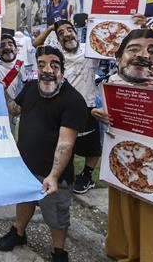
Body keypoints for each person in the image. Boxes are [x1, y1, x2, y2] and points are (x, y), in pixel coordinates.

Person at [91, 29, 153, 262]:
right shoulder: (114, 81)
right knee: (131, 221)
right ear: (119, 58)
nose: (143, 54)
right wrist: (98, 113)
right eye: (134, 49)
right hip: (130, 167)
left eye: (152, 50)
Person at [0, 46, 86, 262]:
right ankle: (18, 233)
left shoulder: (73, 100)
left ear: (62, 70)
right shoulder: (29, 88)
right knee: (24, 202)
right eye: (42, 64)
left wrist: (54, 175)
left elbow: (66, 142)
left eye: (54, 65)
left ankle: (59, 251)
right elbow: (15, 109)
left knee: (56, 215)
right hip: (26, 167)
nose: (47, 70)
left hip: (52, 173)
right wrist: (0, 92)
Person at [33, 20, 101, 194]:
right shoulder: (57, 54)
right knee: (61, 143)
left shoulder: (90, 49)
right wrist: (51, 27)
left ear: (76, 32)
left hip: (86, 105)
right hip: (61, 106)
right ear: (58, 39)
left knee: (91, 146)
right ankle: (57, 175)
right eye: (61, 33)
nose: (66, 34)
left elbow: (115, 47)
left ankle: (87, 175)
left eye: (69, 30)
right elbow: (36, 44)